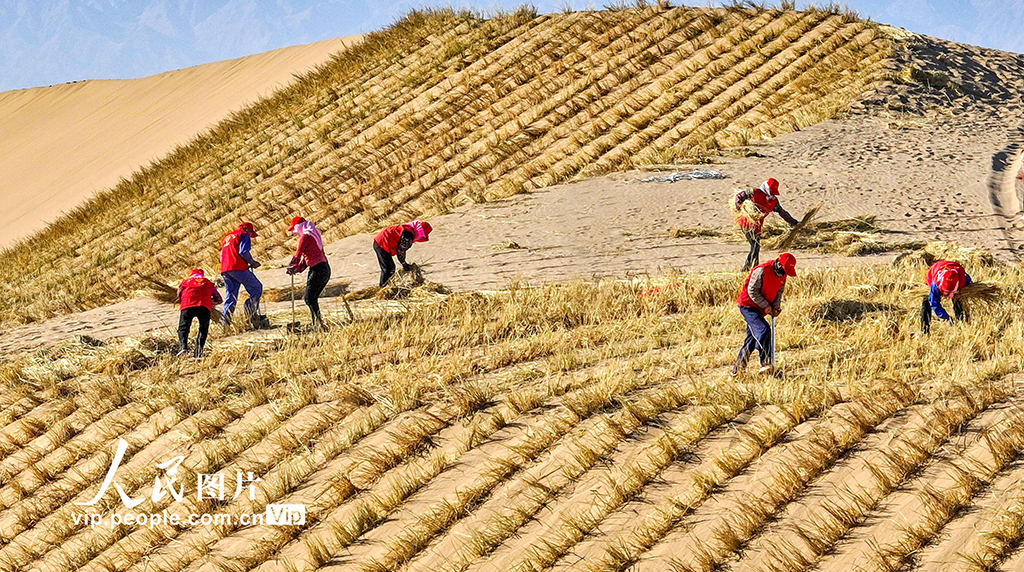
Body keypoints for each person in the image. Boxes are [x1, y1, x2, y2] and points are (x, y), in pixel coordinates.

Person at [730, 252, 796, 377]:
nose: (785, 273)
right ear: (779, 264)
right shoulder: (762, 270)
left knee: (752, 338)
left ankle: (736, 371)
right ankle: (766, 364)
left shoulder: (783, 275)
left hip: (762, 308)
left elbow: (779, 292)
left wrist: (776, 306)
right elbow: (752, 291)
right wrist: (766, 306)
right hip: (748, 306)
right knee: (764, 330)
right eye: (785, 270)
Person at [733, 178, 799, 271]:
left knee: (755, 247)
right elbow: (739, 196)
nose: (772, 194)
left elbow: (781, 212)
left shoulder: (773, 201)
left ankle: (752, 267)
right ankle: (749, 268)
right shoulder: (754, 192)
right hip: (746, 223)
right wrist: (738, 206)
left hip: (757, 227)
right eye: (771, 192)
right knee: (755, 246)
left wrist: (793, 222)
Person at [286, 216, 331, 329]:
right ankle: (317, 322)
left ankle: (317, 323)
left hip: (317, 270)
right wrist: (297, 269)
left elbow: (298, 255)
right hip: (324, 269)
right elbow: (307, 259)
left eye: (295, 230)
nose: (296, 233)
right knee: (312, 298)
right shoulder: (315, 236)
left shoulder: (305, 237)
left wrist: (291, 267)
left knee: (309, 298)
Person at [220, 221, 263, 325]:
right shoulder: (243, 235)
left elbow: (221, 256)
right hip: (237, 267)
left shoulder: (227, 237)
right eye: (250, 233)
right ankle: (250, 316)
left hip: (225, 269)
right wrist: (252, 262)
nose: (250, 236)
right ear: (247, 230)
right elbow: (243, 251)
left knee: (231, 296)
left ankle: (224, 324)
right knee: (256, 288)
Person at [176, 268, 222, 357]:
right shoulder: (207, 282)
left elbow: (178, 295)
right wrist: (212, 302)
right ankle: (198, 351)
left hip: (187, 306)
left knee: (183, 328)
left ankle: (183, 348)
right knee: (203, 329)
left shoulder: (184, 282)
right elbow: (219, 299)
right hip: (203, 306)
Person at [373, 220, 432, 287]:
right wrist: (404, 263)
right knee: (388, 269)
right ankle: (383, 287)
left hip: (381, 242)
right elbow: (401, 250)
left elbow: (400, 249)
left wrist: (403, 262)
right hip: (382, 244)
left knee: (390, 268)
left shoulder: (409, 230)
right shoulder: (408, 236)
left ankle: (387, 285)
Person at [921, 260, 971, 334]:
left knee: (958, 298)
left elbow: (968, 279)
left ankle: (960, 323)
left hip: (955, 268)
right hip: (935, 270)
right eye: (945, 292)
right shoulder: (935, 284)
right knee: (927, 302)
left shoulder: (963, 281)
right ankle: (924, 331)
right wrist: (946, 317)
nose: (946, 294)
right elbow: (934, 303)